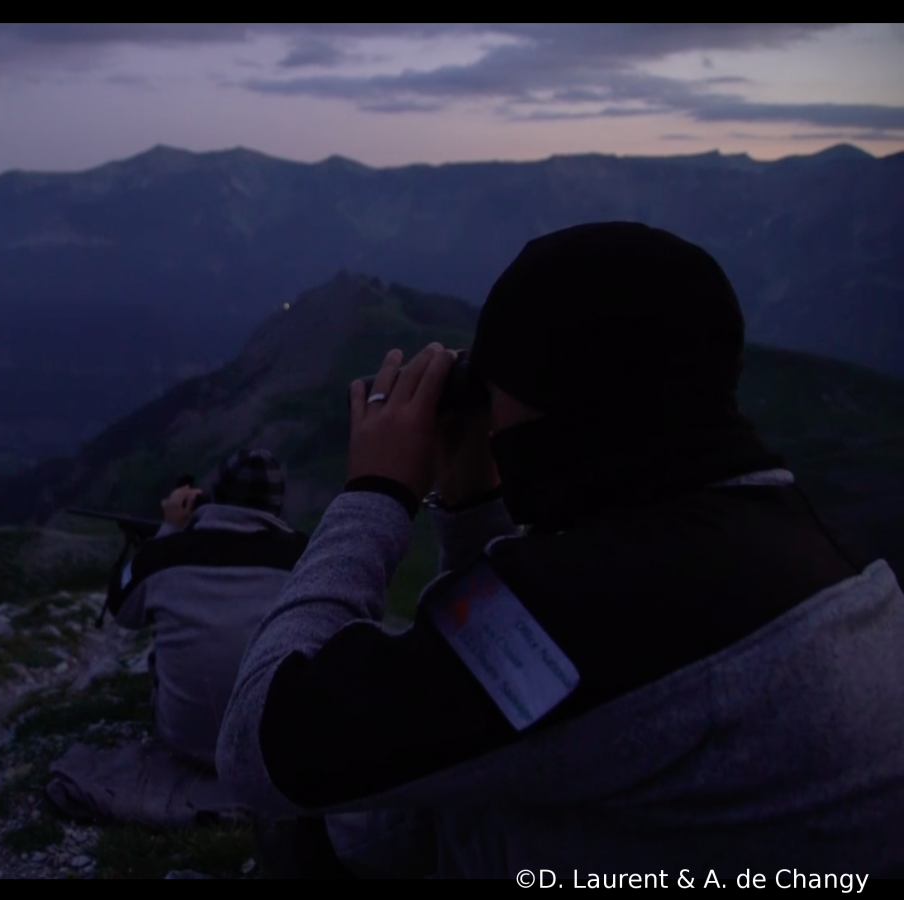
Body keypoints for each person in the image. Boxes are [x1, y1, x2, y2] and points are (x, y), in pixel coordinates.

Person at [215, 222, 904, 878]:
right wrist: (471, 504)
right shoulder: (774, 528)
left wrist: (374, 493)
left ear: (563, 401)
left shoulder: (612, 605)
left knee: (337, 823)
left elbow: (259, 746)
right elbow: (500, 694)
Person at [105, 449, 309, 771]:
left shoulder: (164, 555)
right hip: (272, 751)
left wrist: (168, 530)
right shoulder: (306, 559)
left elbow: (120, 604)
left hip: (183, 742)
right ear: (277, 504)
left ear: (213, 497)